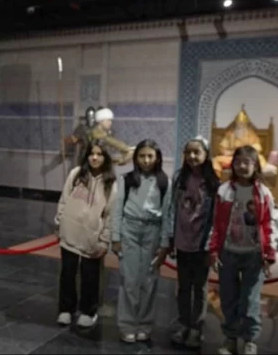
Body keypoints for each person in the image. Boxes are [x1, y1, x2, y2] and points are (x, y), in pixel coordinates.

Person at [208, 145, 277, 355]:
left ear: (255, 165)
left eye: (247, 162)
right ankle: (230, 337)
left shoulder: (263, 193)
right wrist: (213, 250)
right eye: (238, 162)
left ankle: (250, 339)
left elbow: (268, 223)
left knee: (250, 300)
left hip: (254, 254)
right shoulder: (224, 191)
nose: (242, 166)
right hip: (228, 252)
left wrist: (269, 253)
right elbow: (217, 223)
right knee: (228, 298)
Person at [161, 136, 220, 348]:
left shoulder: (213, 183)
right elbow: (172, 208)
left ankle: (197, 327)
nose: (192, 156)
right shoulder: (180, 178)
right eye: (189, 152)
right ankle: (184, 323)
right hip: (182, 241)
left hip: (201, 243)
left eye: (197, 152)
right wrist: (170, 237)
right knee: (183, 286)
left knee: (200, 287)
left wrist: (211, 246)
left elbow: (216, 217)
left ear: (206, 155)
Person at [111, 139, 171, 343]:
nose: (146, 160)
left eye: (150, 156)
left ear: (157, 158)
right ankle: (127, 324)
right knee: (129, 280)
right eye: (142, 156)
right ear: (136, 158)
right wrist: (116, 237)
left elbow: (167, 214)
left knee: (149, 280)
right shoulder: (127, 179)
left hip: (152, 231)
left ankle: (144, 324)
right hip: (130, 229)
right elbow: (118, 209)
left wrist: (164, 243)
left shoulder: (164, 182)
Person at [55, 140, 117, 329]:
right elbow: (64, 200)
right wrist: (60, 222)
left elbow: (110, 214)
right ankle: (66, 308)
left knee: (90, 276)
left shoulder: (111, 183)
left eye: (99, 154)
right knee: (67, 273)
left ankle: (88, 311)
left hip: (92, 237)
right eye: (91, 153)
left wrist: (104, 240)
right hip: (70, 232)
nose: (95, 158)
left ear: (105, 158)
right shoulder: (76, 174)